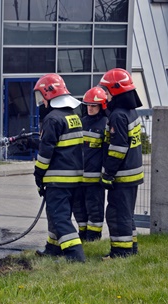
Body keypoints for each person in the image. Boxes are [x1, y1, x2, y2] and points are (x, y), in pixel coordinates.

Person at [33, 73, 86, 262]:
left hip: (58, 179)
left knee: (59, 217)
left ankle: (75, 255)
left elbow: (46, 152)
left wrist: (38, 173)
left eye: (42, 96)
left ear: (49, 94)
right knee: (56, 214)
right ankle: (53, 248)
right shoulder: (73, 116)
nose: (41, 101)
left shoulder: (52, 119)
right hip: (74, 178)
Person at [98, 68, 144, 258]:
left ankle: (120, 253)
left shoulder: (117, 115)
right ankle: (131, 249)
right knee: (127, 214)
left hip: (122, 175)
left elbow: (118, 148)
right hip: (133, 174)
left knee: (117, 214)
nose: (105, 94)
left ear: (116, 91)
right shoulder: (131, 112)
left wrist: (108, 174)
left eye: (106, 90)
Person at [72, 86, 108, 242]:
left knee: (95, 210)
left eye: (94, 105)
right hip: (79, 178)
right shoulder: (81, 123)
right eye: (87, 105)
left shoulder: (106, 124)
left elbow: (107, 154)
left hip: (95, 180)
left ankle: (93, 239)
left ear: (101, 106)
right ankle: (82, 237)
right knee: (79, 209)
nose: (90, 108)